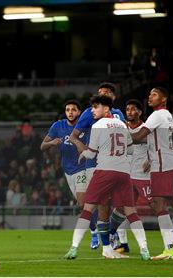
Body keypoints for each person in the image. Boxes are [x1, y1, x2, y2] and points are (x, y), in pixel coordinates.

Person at [63, 95, 151, 260]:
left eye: (96, 107)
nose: (93, 111)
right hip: (124, 173)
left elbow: (91, 153)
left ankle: (74, 248)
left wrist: (83, 154)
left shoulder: (98, 126)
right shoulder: (123, 125)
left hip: (104, 171)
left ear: (106, 108)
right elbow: (130, 150)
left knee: (88, 209)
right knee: (131, 212)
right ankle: (144, 249)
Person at [131, 87, 173, 260]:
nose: (150, 97)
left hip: (163, 166)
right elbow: (154, 139)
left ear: (164, 98)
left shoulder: (156, 115)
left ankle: (169, 250)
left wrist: (119, 132)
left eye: (154, 94)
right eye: (149, 94)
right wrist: (150, 159)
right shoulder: (167, 115)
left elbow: (138, 137)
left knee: (160, 207)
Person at [111, 100, 173, 254]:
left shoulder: (147, 128)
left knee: (157, 208)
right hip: (126, 175)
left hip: (142, 175)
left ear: (139, 112)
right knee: (121, 208)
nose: (130, 112)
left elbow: (160, 147)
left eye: (133, 109)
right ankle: (122, 243)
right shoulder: (122, 128)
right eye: (127, 109)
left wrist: (151, 161)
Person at [69, 82, 126, 249]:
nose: (103, 95)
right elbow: (74, 137)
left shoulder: (118, 115)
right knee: (102, 202)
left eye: (107, 92)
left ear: (113, 97)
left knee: (122, 204)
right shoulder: (89, 113)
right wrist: (85, 150)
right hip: (94, 164)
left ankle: (111, 233)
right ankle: (105, 240)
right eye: (100, 92)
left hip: (117, 164)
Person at [40, 100, 86, 203]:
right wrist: (52, 143)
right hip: (67, 170)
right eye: (67, 110)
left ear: (79, 112)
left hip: (82, 168)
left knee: (83, 204)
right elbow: (43, 146)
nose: (70, 112)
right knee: (82, 204)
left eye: (73, 110)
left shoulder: (85, 126)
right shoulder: (58, 126)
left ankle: (100, 219)